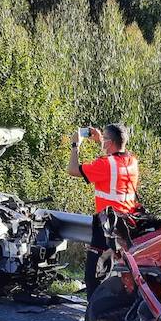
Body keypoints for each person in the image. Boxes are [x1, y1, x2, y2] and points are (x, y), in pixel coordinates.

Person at [66, 123, 140, 295]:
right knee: (115, 272)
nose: (102, 141)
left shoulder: (105, 164)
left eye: (105, 139)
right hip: (126, 223)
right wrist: (101, 140)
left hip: (106, 225)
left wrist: (75, 145)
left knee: (93, 274)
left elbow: (72, 169)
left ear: (110, 142)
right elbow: (113, 161)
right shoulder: (132, 161)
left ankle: (92, 317)